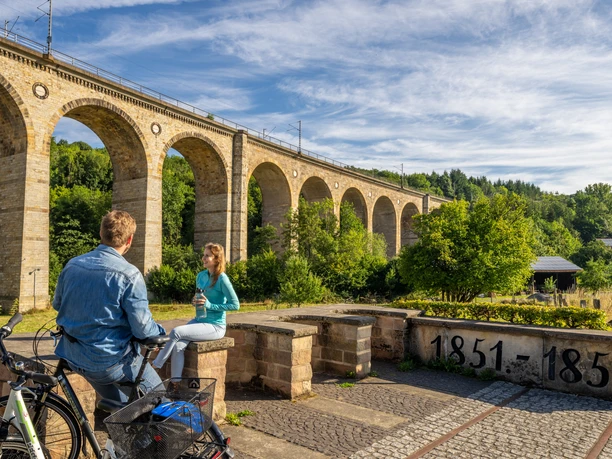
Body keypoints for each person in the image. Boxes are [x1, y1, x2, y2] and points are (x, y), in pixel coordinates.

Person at [53, 210, 166, 403]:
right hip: (109, 362)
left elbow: (58, 304)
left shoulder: (72, 265)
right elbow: (143, 329)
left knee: (120, 409)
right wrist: (160, 334)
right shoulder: (129, 274)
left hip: (73, 356)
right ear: (129, 240)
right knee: (162, 402)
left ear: (100, 233)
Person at [153, 242, 239, 381]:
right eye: (203, 255)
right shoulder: (201, 275)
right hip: (199, 320)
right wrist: (195, 301)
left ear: (217, 259)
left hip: (215, 326)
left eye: (207, 256)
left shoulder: (222, 279)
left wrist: (210, 305)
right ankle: (175, 384)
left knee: (176, 332)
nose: (203, 258)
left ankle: (156, 366)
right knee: (178, 346)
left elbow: (235, 305)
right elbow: (200, 298)